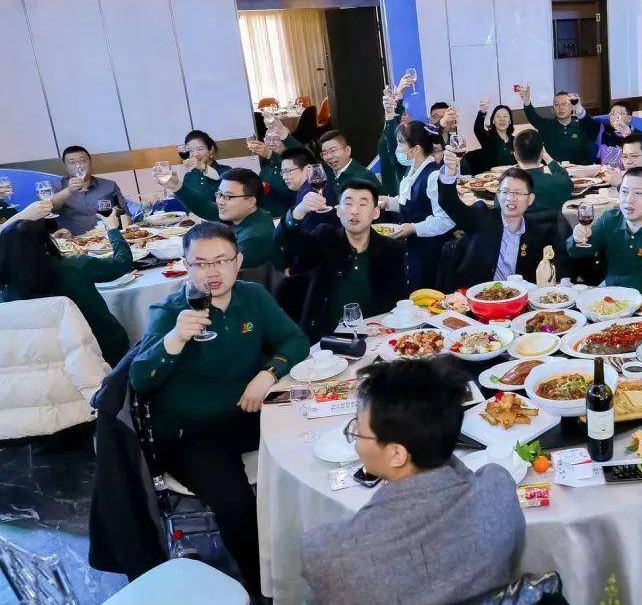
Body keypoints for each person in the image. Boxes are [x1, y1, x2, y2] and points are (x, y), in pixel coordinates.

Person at [130, 222, 308, 596]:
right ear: (186, 266)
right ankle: (265, 590)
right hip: (191, 433)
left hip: (247, 411)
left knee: (308, 440)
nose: (212, 272)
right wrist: (175, 338)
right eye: (200, 263)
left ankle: (308, 550)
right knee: (236, 504)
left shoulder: (252, 296)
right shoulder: (171, 311)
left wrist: (268, 373)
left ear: (238, 261)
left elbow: (295, 340)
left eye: (221, 261)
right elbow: (140, 380)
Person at [302, 357, 524, 605]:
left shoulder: (329, 554)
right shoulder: (497, 490)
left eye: (359, 432)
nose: (355, 442)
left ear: (397, 454)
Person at [0, 202, 132, 365]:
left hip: (47, 361)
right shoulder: (75, 266)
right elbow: (122, 263)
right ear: (45, 242)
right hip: (105, 350)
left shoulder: (6, 291)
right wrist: (112, 229)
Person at [279, 179, 407, 342]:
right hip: (325, 341)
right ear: (338, 211)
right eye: (348, 203)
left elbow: (397, 301)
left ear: (376, 213)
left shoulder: (392, 249)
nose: (354, 211)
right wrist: (299, 212)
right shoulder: (324, 238)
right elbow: (291, 245)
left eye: (362, 204)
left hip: (375, 338)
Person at [438, 154, 568, 290]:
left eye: (518, 193)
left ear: (530, 199)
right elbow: (449, 203)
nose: (511, 198)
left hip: (519, 297)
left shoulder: (539, 232)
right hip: (477, 295)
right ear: (498, 195)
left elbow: (556, 269)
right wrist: (449, 171)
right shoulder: (481, 217)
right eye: (505, 192)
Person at [567, 167, 642, 297]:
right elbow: (578, 252)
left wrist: (607, 284)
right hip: (611, 298)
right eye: (624, 191)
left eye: (638, 193)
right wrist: (577, 239)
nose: (629, 199)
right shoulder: (609, 219)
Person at [378, 120, 455, 289]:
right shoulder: (413, 169)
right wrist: (388, 202)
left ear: (416, 149)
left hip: (430, 249)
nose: (398, 149)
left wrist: (413, 228)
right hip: (413, 247)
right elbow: (413, 202)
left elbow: (445, 220)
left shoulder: (433, 176)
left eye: (401, 144)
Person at [164, 167, 283, 270]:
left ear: (251, 201)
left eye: (227, 196)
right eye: (219, 194)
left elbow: (219, 268)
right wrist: (176, 185)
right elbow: (205, 207)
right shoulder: (248, 214)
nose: (220, 201)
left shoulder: (254, 238)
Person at [48, 146, 130, 236]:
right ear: (66, 167)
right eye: (72, 163)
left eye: (83, 160)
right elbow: (50, 207)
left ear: (90, 162)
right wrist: (69, 190)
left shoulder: (109, 185)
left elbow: (126, 216)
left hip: (108, 238)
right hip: (74, 240)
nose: (79, 166)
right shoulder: (56, 186)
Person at [519, 86, 600, 165]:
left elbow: (595, 129)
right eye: (556, 105)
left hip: (579, 170)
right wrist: (527, 101)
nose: (560, 108)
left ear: (572, 107)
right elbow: (533, 117)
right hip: (553, 171)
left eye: (564, 104)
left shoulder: (581, 126)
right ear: (553, 109)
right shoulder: (546, 125)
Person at [509, 129, 573, 213]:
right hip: (552, 222)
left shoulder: (506, 187)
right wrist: (547, 158)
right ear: (541, 154)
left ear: (516, 156)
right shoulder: (558, 183)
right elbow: (567, 181)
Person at [378, 75, 415, 196]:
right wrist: (398, 95)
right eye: (402, 115)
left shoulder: (413, 140)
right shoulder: (387, 139)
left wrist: (399, 94)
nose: (405, 117)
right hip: (390, 194)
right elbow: (391, 135)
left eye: (407, 115)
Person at [177, 130, 224, 204]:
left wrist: (204, 168)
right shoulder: (189, 176)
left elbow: (218, 178)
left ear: (210, 149)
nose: (195, 154)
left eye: (200, 149)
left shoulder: (226, 171)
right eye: (190, 150)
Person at [472, 100, 516, 171]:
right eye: (498, 116)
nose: (502, 119)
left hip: (511, 175)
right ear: (493, 121)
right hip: (491, 176)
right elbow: (477, 129)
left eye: (505, 116)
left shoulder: (515, 141)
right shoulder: (487, 137)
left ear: (510, 121)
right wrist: (482, 112)